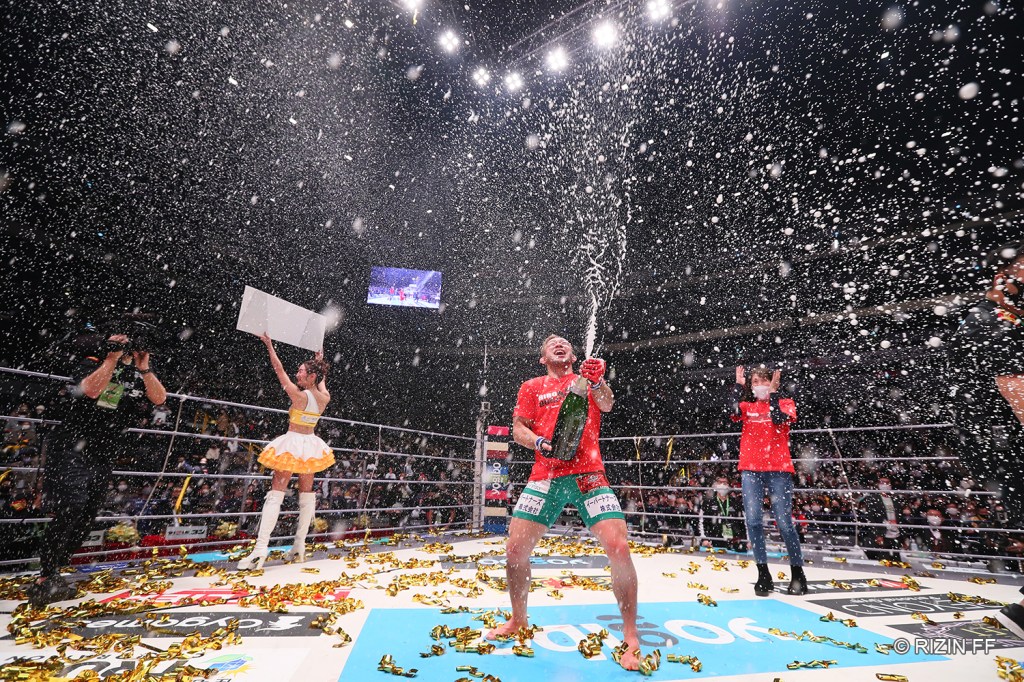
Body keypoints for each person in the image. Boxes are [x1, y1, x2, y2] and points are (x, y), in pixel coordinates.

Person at [485, 335, 643, 671]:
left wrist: (598, 381)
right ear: (543, 357)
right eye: (552, 343)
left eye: (566, 343)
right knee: (515, 551)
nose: (561, 345)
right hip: (546, 475)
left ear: (573, 355)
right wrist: (539, 442)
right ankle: (518, 620)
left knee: (618, 546)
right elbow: (518, 430)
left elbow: (607, 403)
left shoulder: (585, 381)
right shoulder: (531, 386)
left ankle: (630, 634)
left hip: (589, 474)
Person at [27, 327, 167, 607]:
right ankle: (46, 576)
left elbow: (159, 398)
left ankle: (57, 564)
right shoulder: (90, 363)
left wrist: (144, 368)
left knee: (89, 512)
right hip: (72, 444)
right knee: (72, 507)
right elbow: (90, 391)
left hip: (104, 450)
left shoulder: (134, 374)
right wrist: (111, 358)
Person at [946, 241, 1024, 636]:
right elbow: (1016, 390)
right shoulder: (991, 321)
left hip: (997, 439)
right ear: (1002, 279)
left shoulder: (1003, 319)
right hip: (1002, 439)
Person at [237, 333, 333, 570]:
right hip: (311, 444)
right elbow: (321, 381)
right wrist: (319, 362)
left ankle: (260, 551)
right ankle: (299, 546)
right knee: (306, 494)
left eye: (301, 371)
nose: (297, 374)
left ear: (310, 377)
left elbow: (278, 370)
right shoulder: (324, 398)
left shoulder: (298, 396)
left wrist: (270, 346)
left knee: (277, 491)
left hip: (293, 443)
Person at [731, 366, 806, 596]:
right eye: (755, 381)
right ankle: (763, 573)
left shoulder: (785, 403)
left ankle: (797, 573)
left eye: (764, 379)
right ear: (751, 386)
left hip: (778, 470)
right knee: (753, 521)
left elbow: (777, 419)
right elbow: (732, 409)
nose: (760, 384)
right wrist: (738, 386)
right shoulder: (747, 407)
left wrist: (772, 394)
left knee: (784, 523)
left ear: (773, 381)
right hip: (751, 470)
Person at [857, 475, 902, 561]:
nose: (885, 485)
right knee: (884, 559)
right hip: (882, 533)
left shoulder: (895, 499)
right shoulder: (873, 499)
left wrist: (903, 537)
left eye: (887, 483)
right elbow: (871, 518)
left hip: (896, 533)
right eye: (882, 482)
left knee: (897, 559)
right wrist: (877, 534)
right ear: (878, 484)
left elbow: (900, 517)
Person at [700, 475, 747, 553]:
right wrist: (704, 539)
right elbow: (702, 522)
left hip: (735, 542)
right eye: (720, 482)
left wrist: (746, 540)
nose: (722, 484)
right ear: (716, 485)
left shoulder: (736, 503)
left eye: (725, 482)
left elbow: (743, 523)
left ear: (729, 485)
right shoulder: (708, 503)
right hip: (713, 542)